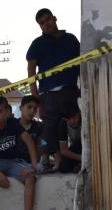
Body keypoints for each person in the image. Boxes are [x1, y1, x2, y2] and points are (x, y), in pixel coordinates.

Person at [26, 8, 81, 161]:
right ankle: (45, 161)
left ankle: (80, 157)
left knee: (75, 123)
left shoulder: (70, 39)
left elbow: (82, 62)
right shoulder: (37, 44)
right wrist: (34, 92)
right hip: (48, 94)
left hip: (70, 91)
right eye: (42, 23)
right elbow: (31, 68)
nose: (46, 24)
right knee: (49, 129)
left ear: (54, 19)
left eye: (48, 20)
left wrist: (83, 88)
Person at [16, 94, 52, 171]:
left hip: (32, 163)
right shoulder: (12, 125)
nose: (32, 111)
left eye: (35, 109)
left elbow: (41, 148)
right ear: (21, 108)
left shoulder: (39, 127)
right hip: (14, 163)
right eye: (29, 107)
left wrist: (34, 163)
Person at [57, 106, 83, 174]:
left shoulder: (84, 119)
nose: (72, 121)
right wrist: (81, 158)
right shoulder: (62, 124)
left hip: (87, 145)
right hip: (77, 148)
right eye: (68, 118)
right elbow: (63, 150)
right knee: (63, 166)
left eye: (74, 117)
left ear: (79, 113)